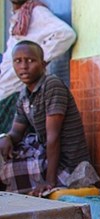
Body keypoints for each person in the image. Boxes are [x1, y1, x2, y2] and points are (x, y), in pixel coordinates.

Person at [0, 40, 98, 196]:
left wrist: (50, 182)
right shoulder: (24, 95)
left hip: (66, 165)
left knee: (5, 174)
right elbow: (16, 133)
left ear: (43, 64)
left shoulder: (51, 85)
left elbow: (54, 136)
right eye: (18, 61)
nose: (24, 66)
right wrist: (5, 138)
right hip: (45, 156)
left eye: (30, 60)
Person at [0, 0, 76, 134]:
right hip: (5, 92)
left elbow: (66, 35)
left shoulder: (36, 12)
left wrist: (38, 61)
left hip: (15, 95)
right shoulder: (18, 17)